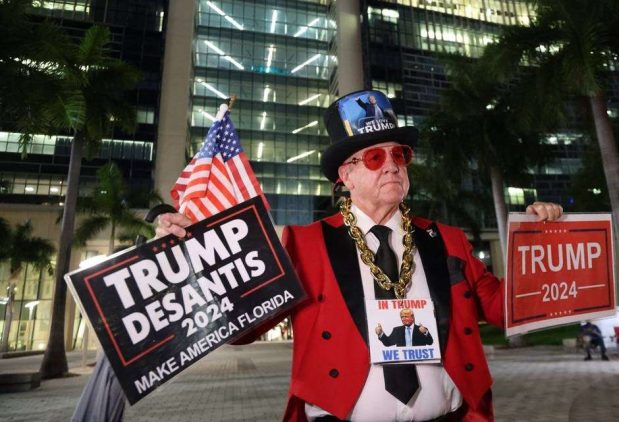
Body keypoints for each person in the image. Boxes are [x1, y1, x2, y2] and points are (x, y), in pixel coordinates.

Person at [157, 89, 563, 421]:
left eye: (399, 154)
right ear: (345, 176)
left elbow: (506, 307)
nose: (391, 166)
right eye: (374, 157)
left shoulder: (448, 239)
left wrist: (544, 244)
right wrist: (197, 257)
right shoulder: (304, 243)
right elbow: (244, 331)